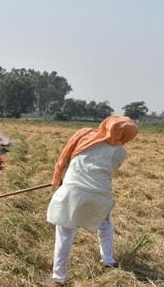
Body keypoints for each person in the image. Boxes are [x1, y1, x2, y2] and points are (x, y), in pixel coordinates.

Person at [47, 115, 138, 286]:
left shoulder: (83, 135)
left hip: (71, 191)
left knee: (65, 233)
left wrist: (58, 179)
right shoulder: (121, 152)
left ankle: (58, 278)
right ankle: (108, 260)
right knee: (105, 224)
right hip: (100, 195)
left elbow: (63, 160)